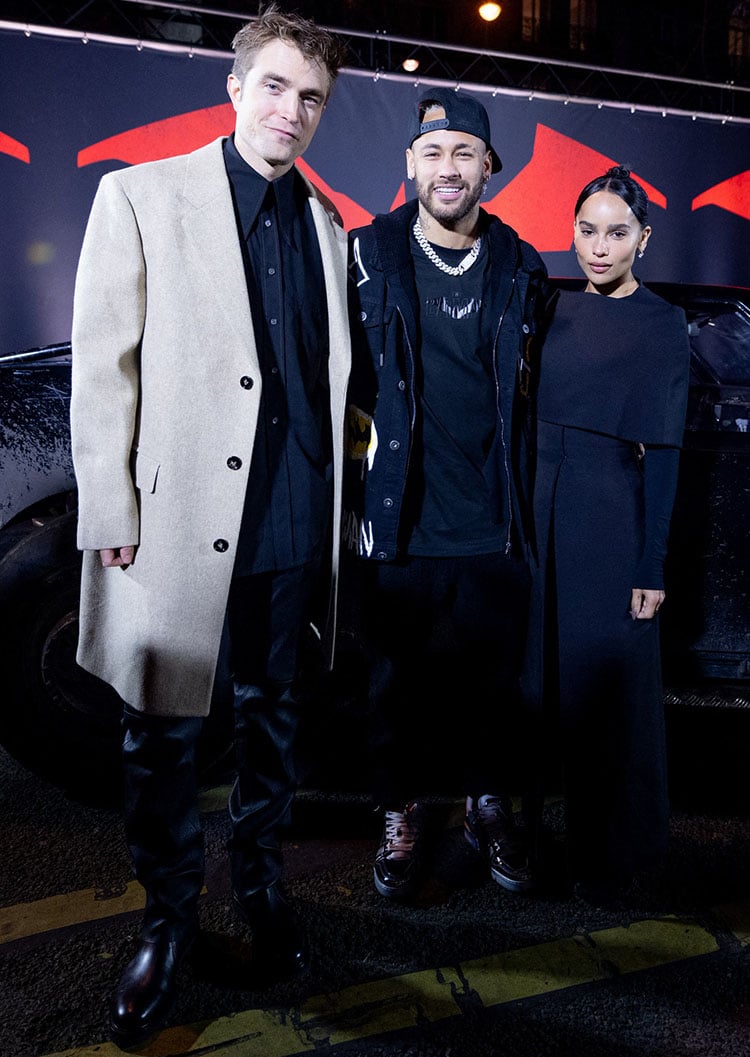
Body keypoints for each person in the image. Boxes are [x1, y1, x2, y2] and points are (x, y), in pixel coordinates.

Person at [70, 7, 349, 1048]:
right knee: (164, 730)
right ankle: (168, 922)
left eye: (311, 97)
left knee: (273, 722)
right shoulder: (141, 194)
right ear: (235, 89)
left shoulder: (327, 225)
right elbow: (104, 362)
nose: (292, 110)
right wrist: (109, 504)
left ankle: (262, 890)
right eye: (275, 86)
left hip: (291, 513)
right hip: (176, 516)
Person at [345, 88, 547, 901]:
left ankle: (484, 805)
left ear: (489, 167)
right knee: (395, 685)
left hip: (494, 520)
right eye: (432, 152)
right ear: (410, 164)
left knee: (491, 688)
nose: (448, 167)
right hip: (398, 519)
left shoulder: (521, 266)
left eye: (465, 152)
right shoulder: (367, 256)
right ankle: (400, 813)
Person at [523, 166, 690, 902]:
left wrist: (651, 563)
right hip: (539, 510)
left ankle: (617, 857)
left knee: (609, 693)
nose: (599, 247)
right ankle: (533, 845)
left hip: (609, 520)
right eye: (588, 230)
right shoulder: (550, 307)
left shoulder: (661, 322)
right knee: (538, 688)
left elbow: (666, 451)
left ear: (643, 239)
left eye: (617, 233)